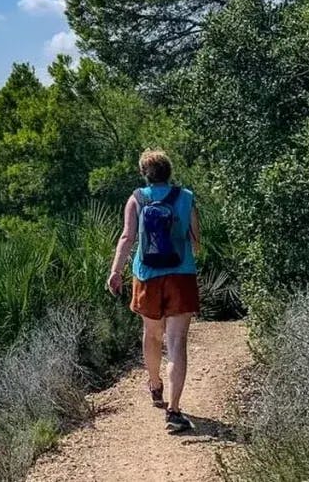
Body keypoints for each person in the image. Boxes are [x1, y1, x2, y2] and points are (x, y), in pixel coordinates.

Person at [106, 149, 200, 433]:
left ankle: (155, 385)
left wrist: (115, 271)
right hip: (181, 275)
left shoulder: (137, 198)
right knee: (177, 342)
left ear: (144, 173)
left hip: (146, 276)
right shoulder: (186, 197)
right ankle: (174, 411)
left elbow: (127, 237)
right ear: (169, 172)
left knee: (152, 334)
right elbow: (196, 241)